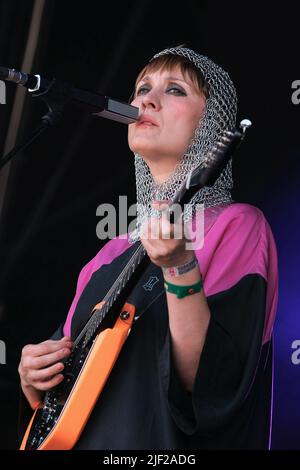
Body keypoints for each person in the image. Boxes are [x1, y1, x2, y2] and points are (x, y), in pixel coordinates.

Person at [18, 46, 278, 450]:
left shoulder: (237, 225)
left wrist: (178, 267)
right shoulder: (107, 255)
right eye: (141, 88)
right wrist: (34, 376)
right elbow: (65, 390)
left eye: (174, 90)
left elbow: (211, 384)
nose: (145, 101)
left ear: (212, 123)